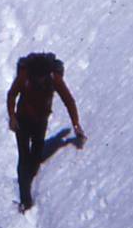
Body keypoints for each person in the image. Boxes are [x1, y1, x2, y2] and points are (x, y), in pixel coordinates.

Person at [7, 52, 85, 212]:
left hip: (40, 121)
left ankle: (30, 179)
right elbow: (12, 94)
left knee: (35, 154)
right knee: (23, 157)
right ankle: (25, 200)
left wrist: (76, 124)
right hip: (22, 121)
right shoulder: (24, 76)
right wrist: (12, 117)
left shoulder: (54, 79)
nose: (40, 80)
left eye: (42, 77)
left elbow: (68, 100)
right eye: (38, 77)